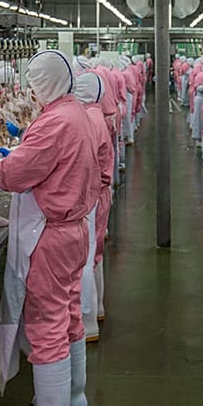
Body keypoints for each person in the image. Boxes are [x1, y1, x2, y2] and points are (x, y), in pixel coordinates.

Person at [0, 50, 97, 406]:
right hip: (73, 231)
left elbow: (11, 177)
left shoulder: (56, 121)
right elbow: (49, 161)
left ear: (43, 83)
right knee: (68, 316)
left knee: (47, 324)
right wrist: (21, 149)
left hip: (50, 236)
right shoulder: (75, 112)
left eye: (32, 83)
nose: (29, 90)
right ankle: (73, 398)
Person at [73, 71, 114, 342]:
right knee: (95, 254)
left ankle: (86, 323)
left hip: (91, 196)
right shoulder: (97, 115)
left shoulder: (89, 119)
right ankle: (97, 308)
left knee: (84, 259)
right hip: (100, 194)